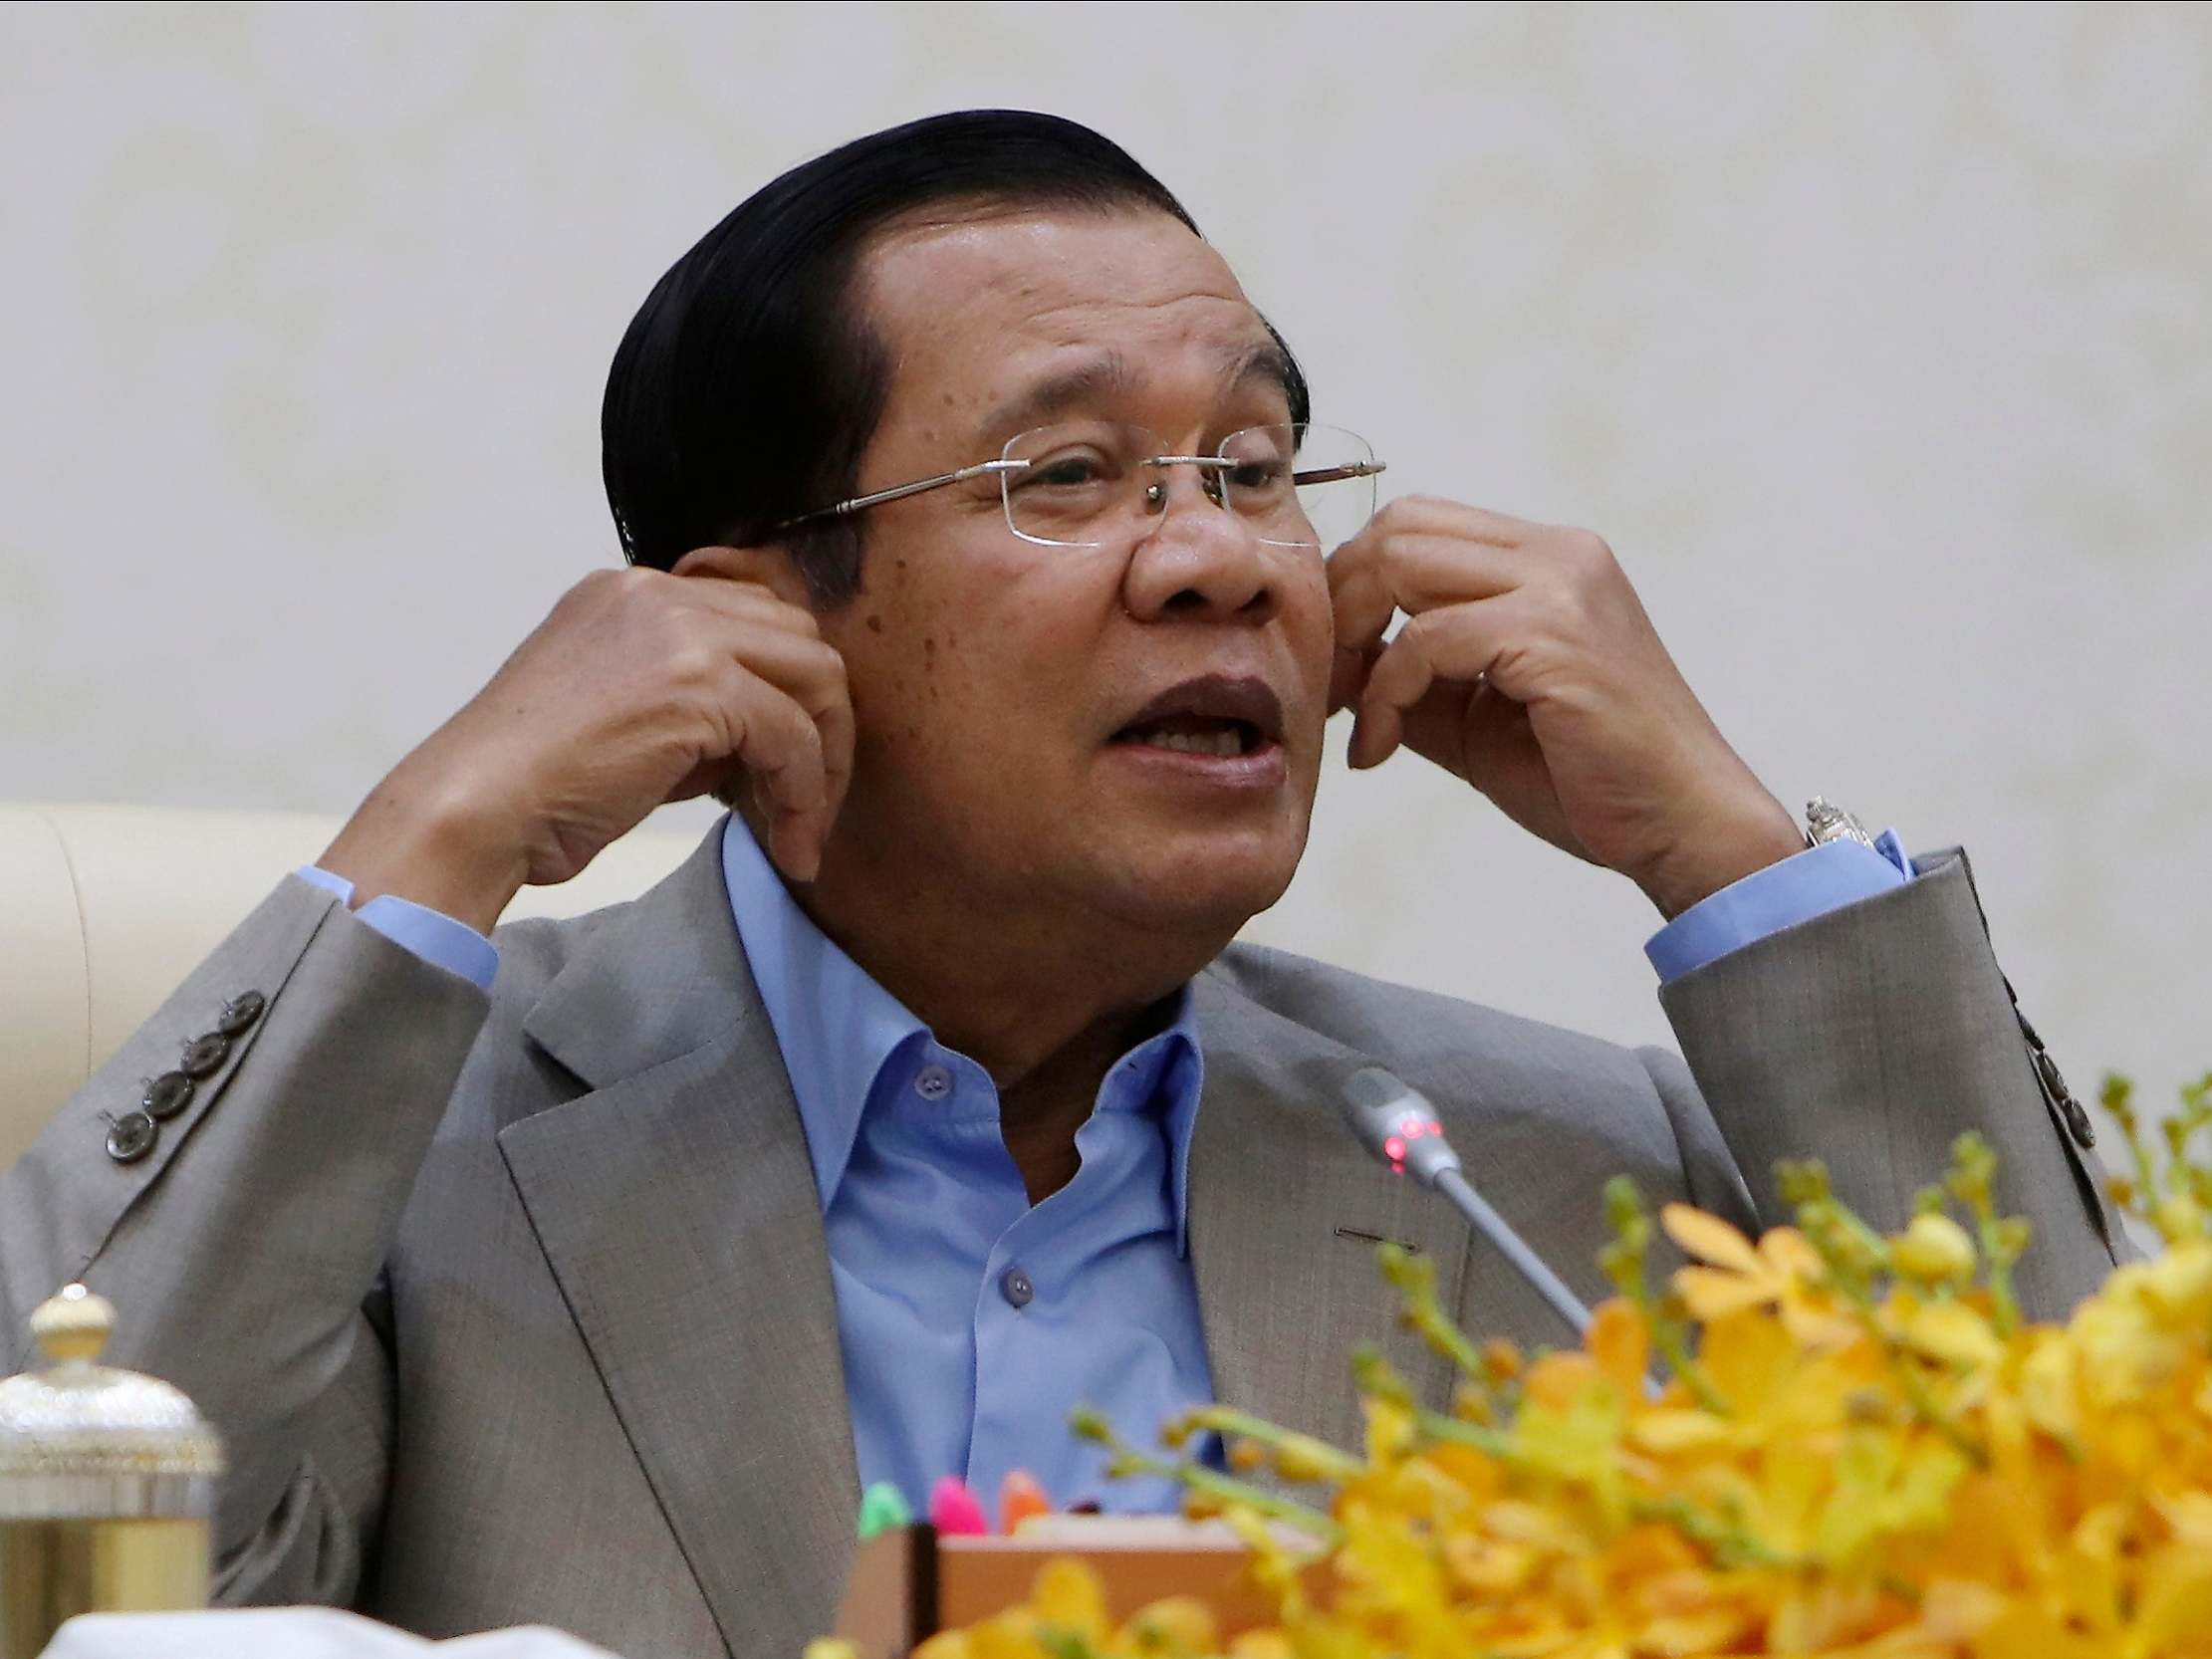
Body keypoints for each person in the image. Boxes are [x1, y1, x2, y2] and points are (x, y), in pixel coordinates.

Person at [0, 111, 2117, 1659]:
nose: (1216, 555)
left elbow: (2095, 1554)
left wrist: (1730, 855)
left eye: (1260, 468)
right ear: (754, 623)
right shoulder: (414, 1168)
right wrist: (431, 840)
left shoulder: (1556, 1175)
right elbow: (84, 1562)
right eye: (1066, 476)